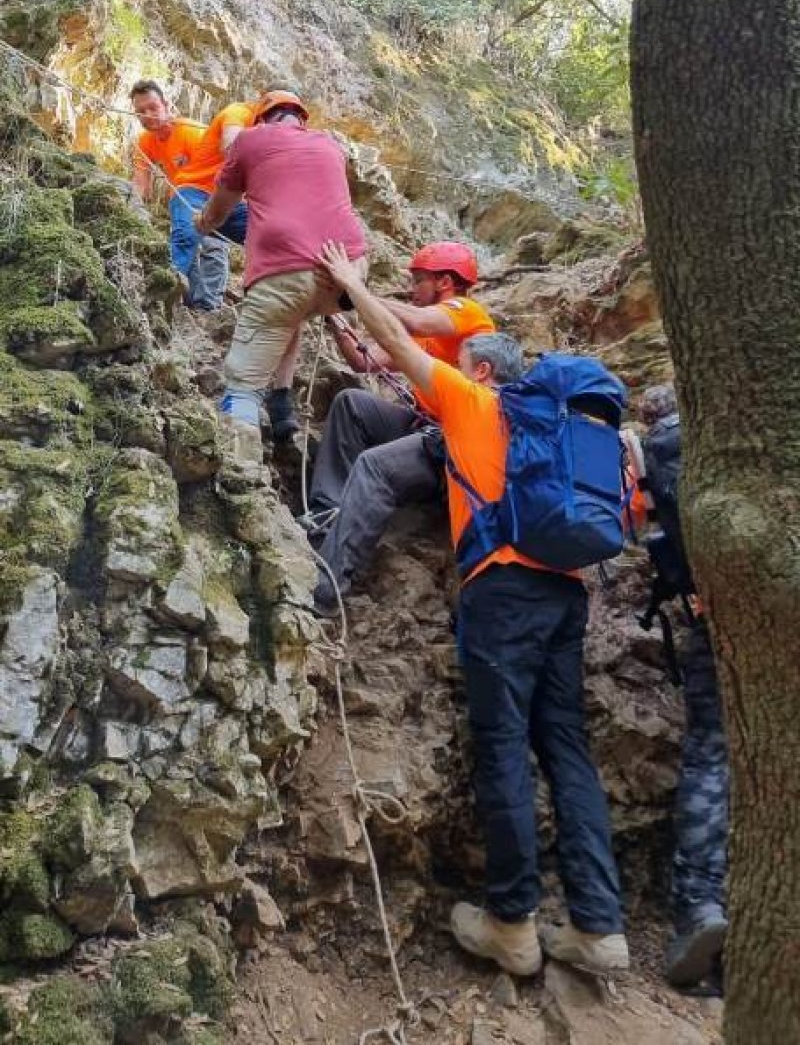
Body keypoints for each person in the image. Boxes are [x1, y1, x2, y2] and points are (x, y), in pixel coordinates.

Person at [314, 241, 629, 978]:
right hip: (565, 591)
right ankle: (599, 928)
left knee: (503, 747)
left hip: (501, 592)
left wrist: (355, 284)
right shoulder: (549, 432)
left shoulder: (472, 400)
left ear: (483, 369)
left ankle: (512, 925)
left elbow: (399, 341)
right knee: (567, 752)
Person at [306, 242, 495, 612]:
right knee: (352, 404)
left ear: (444, 282)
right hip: (420, 426)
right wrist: (335, 316)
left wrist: (354, 289)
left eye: (418, 280)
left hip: (453, 440)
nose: (412, 288)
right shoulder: (422, 333)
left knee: (375, 466)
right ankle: (328, 512)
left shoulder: (466, 313)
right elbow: (365, 361)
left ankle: (329, 586)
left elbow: (417, 320)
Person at [194, 92, 366, 454]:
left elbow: (220, 210)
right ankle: (282, 404)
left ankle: (242, 471)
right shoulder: (330, 145)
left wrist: (203, 224)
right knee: (295, 313)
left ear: (262, 118)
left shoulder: (250, 139)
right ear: (300, 119)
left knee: (243, 383)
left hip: (284, 272)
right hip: (349, 271)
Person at [637, 383, 729, 988]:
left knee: (710, 758)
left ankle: (700, 906)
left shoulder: (654, 458)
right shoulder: (723, 446)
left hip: (711, 627)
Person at [131, 80, 251, 310]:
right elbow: (140, 182)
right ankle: (176, 295)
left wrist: (219, 207)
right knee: (186, 236)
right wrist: (132, 208)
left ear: (167, 106)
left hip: (219, 192)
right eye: (141, 111)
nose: (148, 114)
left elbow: (228, 166)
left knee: (213, 243)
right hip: (186, 194)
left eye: (153, 107)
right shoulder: (145, 142)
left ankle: (208, 306)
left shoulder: (191, 132)